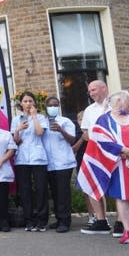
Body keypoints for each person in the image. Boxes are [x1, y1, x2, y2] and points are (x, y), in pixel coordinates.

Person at [78, 91, 129, 244]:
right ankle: (128, 232)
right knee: (122, 198)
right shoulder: (104, 120)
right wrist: (123, 150)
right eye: (128, 100)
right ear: (118, 102)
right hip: (116, 164)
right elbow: (100, 139)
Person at [79, 80, 113, 234]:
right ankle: (101, 220)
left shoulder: (118, 104)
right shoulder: (89, 110)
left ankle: (121, 222)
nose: (91, 93)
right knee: (93, 185)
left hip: (115, 151)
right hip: (95, 152)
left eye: (94, 90)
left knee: (118, 187)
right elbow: (85, 133)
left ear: (104, 88)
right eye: (90, 91)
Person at [11, 91, 49, 231]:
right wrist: (18, 130)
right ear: (21, 103)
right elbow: (16, 141)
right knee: (25, 190)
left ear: (34, 103)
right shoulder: (16, 120)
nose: (28, 104)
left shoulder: (40, 117)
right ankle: (29, 220)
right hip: (22, 159)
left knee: (41, 189)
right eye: (25, 101)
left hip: (38, 158)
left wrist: (34, 116)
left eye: (30, 101)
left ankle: (42, 220)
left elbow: (39, 133)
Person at [42, 97, 76, 233]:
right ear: (46, 106)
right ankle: (58, 218)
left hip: (64, 163)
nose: (52, 107)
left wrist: (61, 130)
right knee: (55, 192)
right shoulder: (42, 122)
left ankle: (65, 221)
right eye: (50, 105)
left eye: (55, 105)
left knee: (63, 192)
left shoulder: (65, 121)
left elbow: (72, 140)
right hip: (49, 163)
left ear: (59, 106)